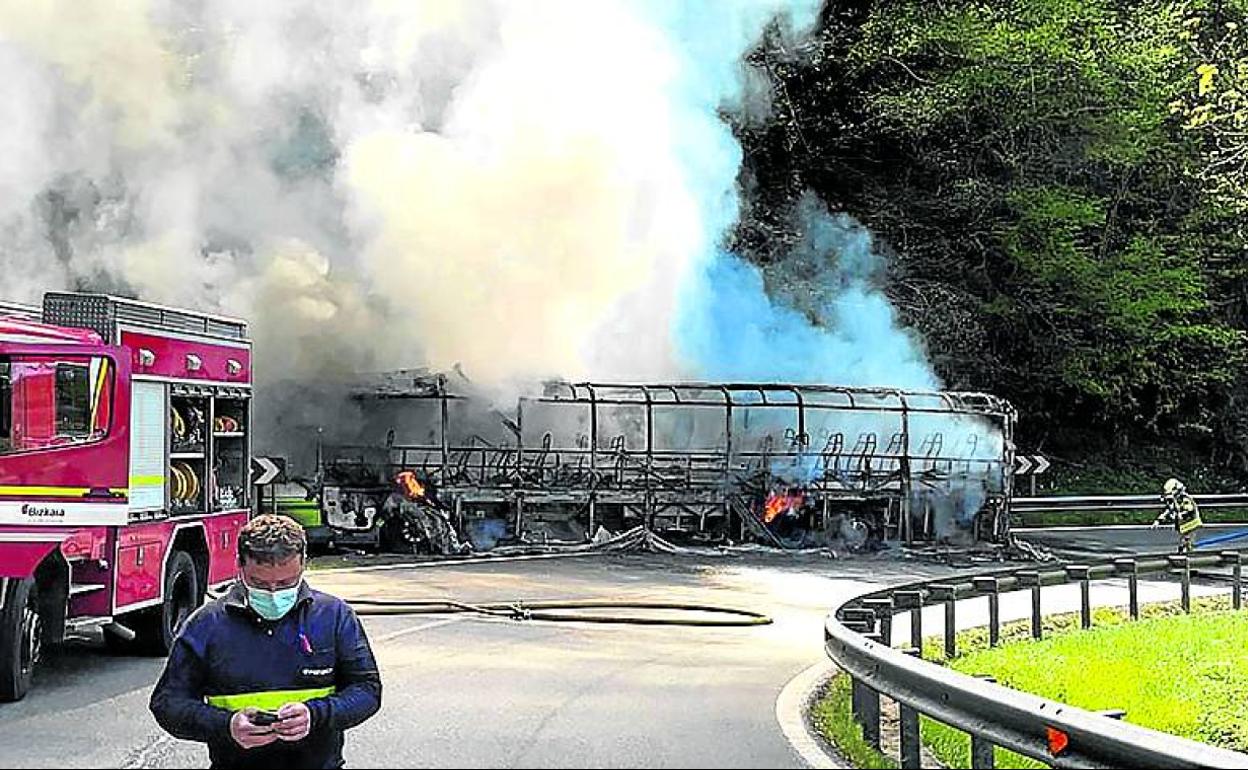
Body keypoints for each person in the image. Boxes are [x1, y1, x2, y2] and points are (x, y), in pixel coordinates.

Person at [150, 514, 381, 769]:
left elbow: (367, 690)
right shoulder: (206, 625)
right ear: (240, 566)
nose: (273, 594)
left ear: (303, 564)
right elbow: (167, 703)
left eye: (285, 583)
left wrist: (315, 715)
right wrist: (227, 725)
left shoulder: (334, 616)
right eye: (259, 583)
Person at [1153, 477, 1203, 554]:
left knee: (1187, 541)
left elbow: (1189, 510)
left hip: (1191, 524)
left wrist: (1180, 515)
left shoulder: (1185, 498)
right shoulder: (1174, 500)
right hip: (1184, 525)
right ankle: (1185, 552)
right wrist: (1158, 520)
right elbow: (1168, 510)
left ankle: (1187, 556)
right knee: (1184, 541)